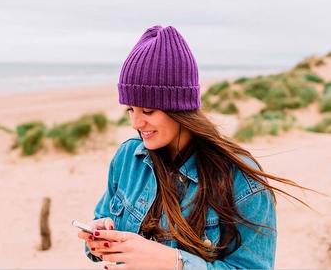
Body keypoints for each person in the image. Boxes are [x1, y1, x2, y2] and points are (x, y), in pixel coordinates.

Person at [76, 25, 310, 270]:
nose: (136, 123)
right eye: (130, 110)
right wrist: (98, 236)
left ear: (179, 108)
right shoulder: (128, 157)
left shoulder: (241, 182)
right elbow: (103, 226)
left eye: (147, 111)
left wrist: (173, 263)